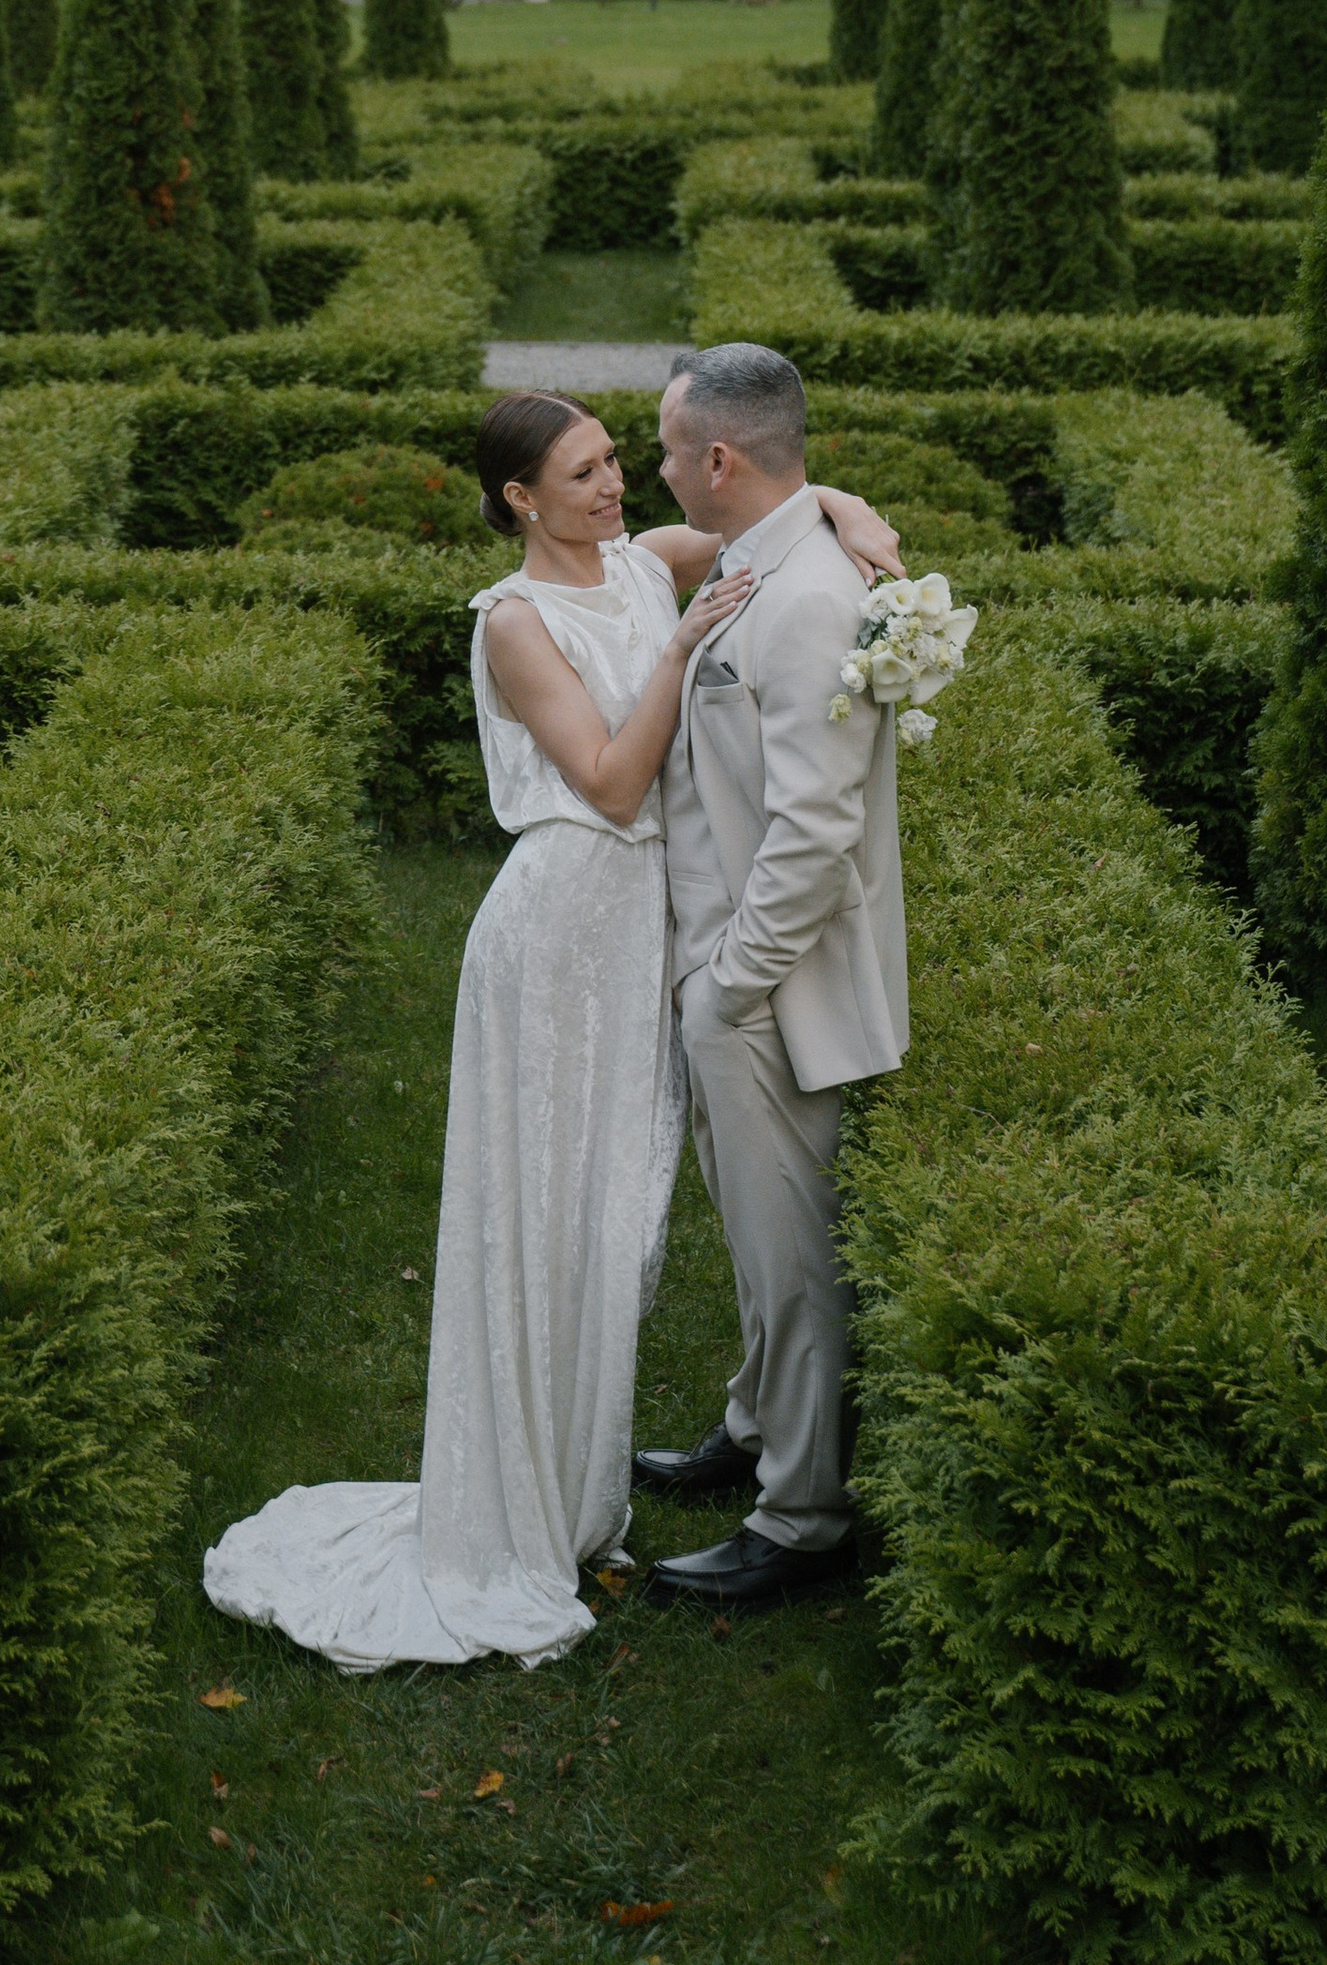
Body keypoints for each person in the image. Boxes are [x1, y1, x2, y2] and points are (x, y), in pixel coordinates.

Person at [201, 386, 899, 1672]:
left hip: (641, 935)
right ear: (520, 499)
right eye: (582, 472)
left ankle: (580, 1465)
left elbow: (770, 514)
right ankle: (514, 1497)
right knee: (548, 1215)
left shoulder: (641, 563)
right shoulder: (518, 622)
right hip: (561, 935)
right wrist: (683, 653)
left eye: (618, 461)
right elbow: (615, 782)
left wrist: (857, 519)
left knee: (616, 1217)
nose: (615, 484)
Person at [633, 342, 913, 1616]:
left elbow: (815, 829)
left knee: (791, 1256)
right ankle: (753, 1429)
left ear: (721, 458)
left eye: (666, 446)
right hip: (720, 972)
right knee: (751, 1239)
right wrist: (838, 504)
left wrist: (732, 985)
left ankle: (802, 1516)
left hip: (765, 991)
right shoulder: (777, 551)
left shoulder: (808, 599)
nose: (654, 463)